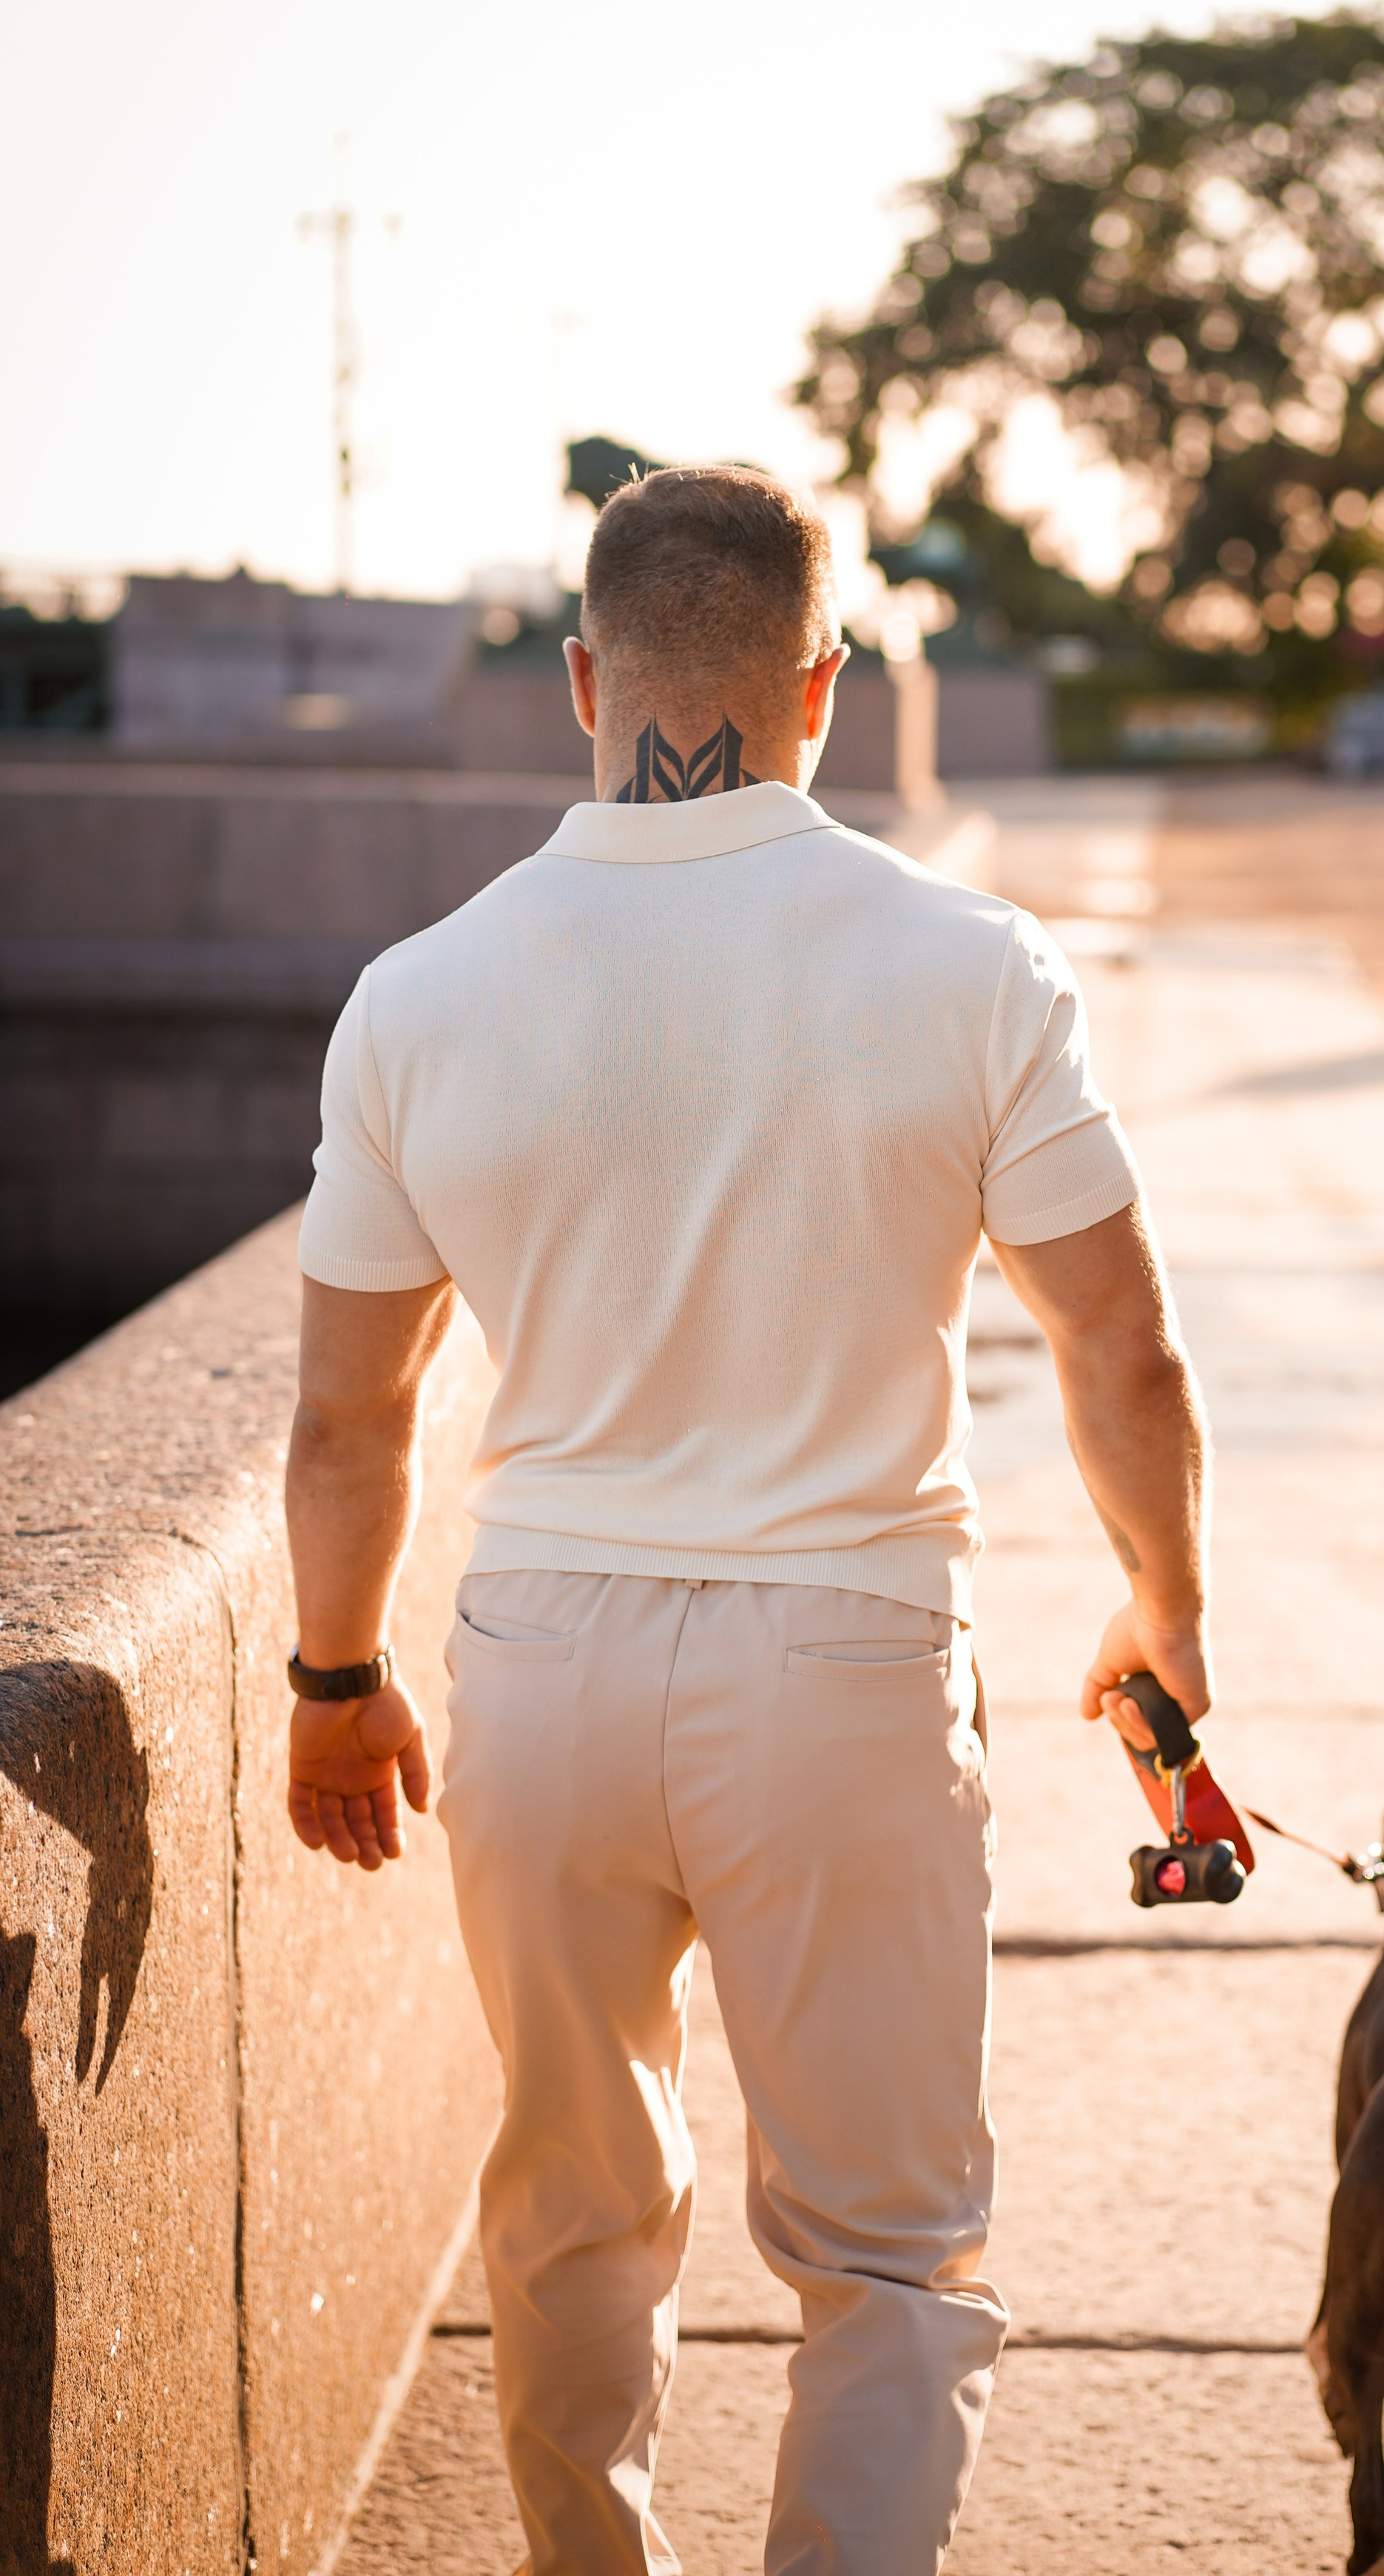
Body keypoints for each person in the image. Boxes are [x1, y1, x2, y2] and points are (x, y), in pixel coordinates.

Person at [282, 465, 1212, 2575]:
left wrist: (335, 1677)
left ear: (584, 680)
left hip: (541, 1669)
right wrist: (1165, 1608)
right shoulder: (973, 963)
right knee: (889, 2256)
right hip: (849, 1664)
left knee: (572, 2210)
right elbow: (1121, 1348)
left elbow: (352, 1418)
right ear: (825, 683)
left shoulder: (418, 991)